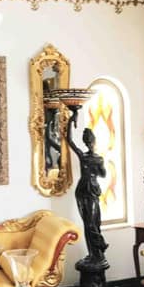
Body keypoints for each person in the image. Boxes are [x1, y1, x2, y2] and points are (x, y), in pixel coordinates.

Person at [58, 108, 109, 264]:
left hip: (88, 190)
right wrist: (73, 117)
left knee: (92, 222)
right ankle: (95, 251)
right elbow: (103, 174)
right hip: (86, 190)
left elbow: (69, 140)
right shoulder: (94, 158)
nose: (90, 144)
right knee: (89, 223)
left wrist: (72, 119)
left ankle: (98, 249)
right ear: (93, 142)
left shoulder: (86, 157)